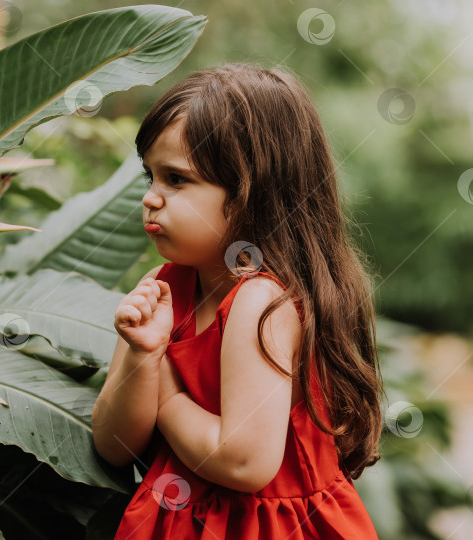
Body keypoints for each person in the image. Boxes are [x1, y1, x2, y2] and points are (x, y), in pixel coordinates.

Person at [92, 63, 385, 539]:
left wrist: (166, 393)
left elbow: (244, 462)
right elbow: (113, 443)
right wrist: (144, 357)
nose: (150, 197)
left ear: (253, 192)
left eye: (177, 179)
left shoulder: (261, 304)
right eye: (151, 176)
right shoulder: (165, 287)